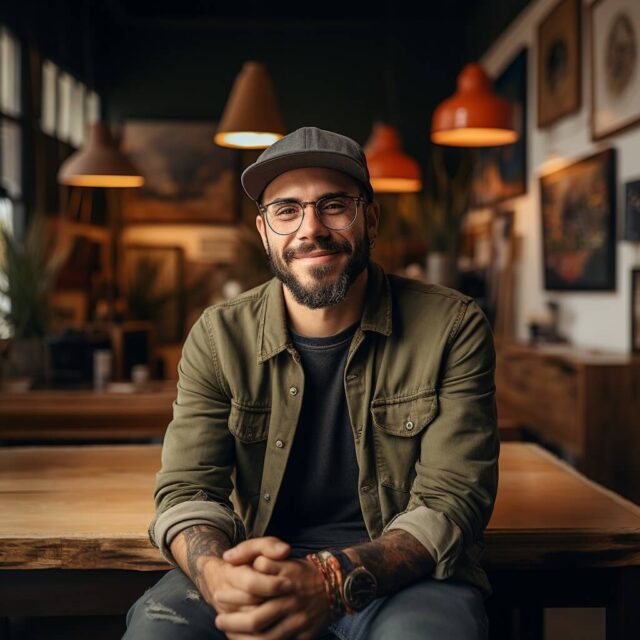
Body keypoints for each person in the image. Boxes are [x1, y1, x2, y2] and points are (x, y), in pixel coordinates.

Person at [124, 126, 499, 640]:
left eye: (334, 205)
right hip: (255, 560)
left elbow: (453, 501)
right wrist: (217, 576)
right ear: (263, 231)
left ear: (370, 218)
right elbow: (188, 489)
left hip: (400, 575)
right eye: (286, 211)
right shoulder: (218, 336)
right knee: (158, 631)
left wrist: (328, 580)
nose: (311, 229)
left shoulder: (452, 326)